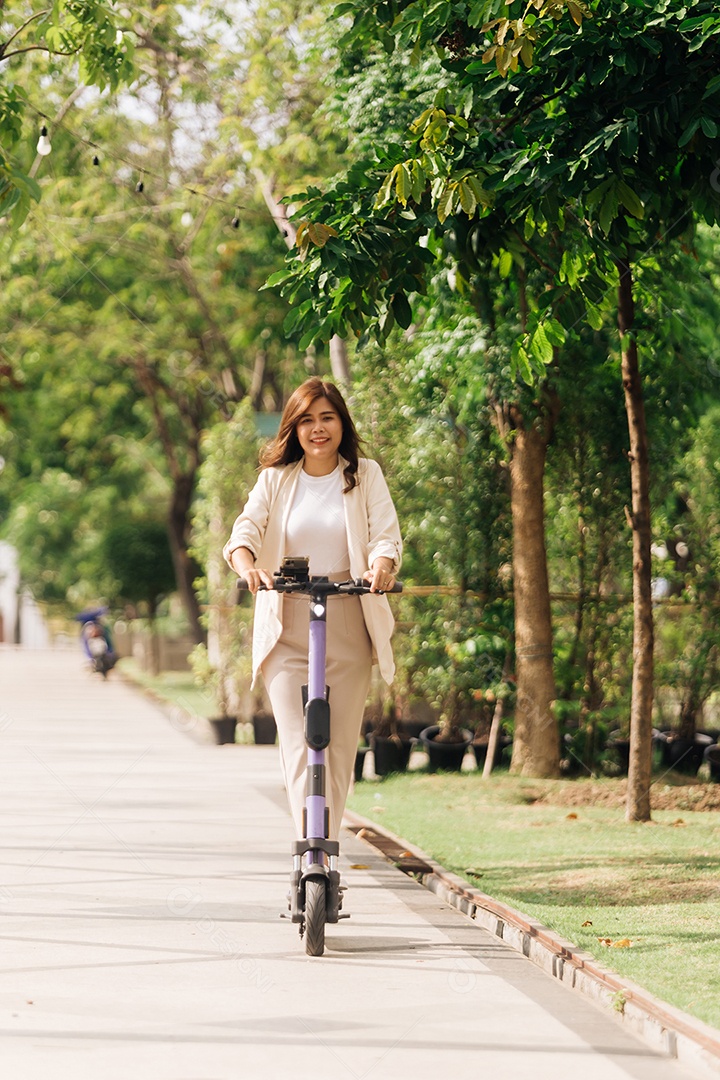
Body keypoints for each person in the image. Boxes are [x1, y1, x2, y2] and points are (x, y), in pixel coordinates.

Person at [223, 377, 402, 839]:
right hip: (288, 624)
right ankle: (307, 848)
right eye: (307, 420)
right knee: (301, 745)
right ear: (293, 429)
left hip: (347, 620)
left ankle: (326, 846)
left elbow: (385, 535)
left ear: (342, 423)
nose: (318, 429)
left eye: (327, 418)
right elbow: (244, 534)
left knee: (338, 748)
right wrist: (248, 569)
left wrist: (381, 566)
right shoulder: (276, 480)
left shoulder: (365, 476)